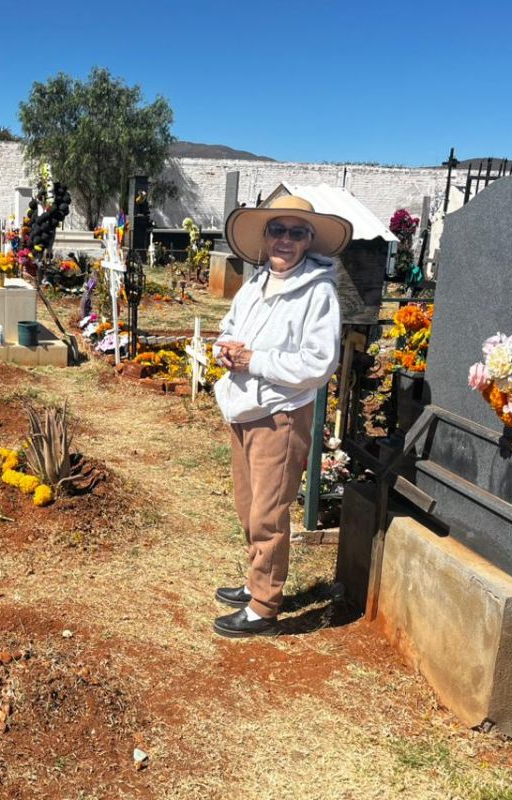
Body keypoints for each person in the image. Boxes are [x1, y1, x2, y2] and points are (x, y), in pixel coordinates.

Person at [210, 195, 352, 638]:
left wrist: (253, 360)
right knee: (248, 506)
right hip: (245, 409)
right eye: (278, 230)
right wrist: (225, 349)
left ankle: (264, 607)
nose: (285, 240)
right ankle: (258, 581)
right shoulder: (257, 283)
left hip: (281, 415)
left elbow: (318, 363)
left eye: (296, 232)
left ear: (309, 240)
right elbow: (230, 327)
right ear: (265, 236)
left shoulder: (317, 292)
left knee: (268, 513)